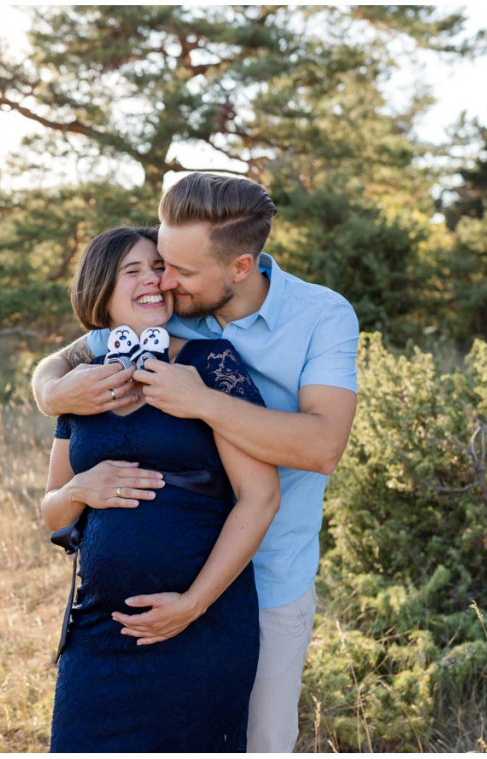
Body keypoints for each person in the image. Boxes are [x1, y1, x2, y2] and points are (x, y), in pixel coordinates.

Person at [33, 173, 359, 752]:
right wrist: (54, 396)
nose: (164, 281)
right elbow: (67, 357)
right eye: (157, 264)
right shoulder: (166, 314)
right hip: (109, 626)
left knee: (259, 740)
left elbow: (321, 448)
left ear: (239, 268)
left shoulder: (318, 317)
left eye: (177, 270)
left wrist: (203, 401)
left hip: (268, 575)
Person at [42, 226, 280, 752]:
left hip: (201, 632)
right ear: (100, 288)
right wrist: (82, 486)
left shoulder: (212, 363)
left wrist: (192, 605)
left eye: (159, 268)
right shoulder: (80, 384)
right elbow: (53, 513)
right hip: (99, 633)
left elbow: (261, 497)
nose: (154, 279)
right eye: (135, 270)